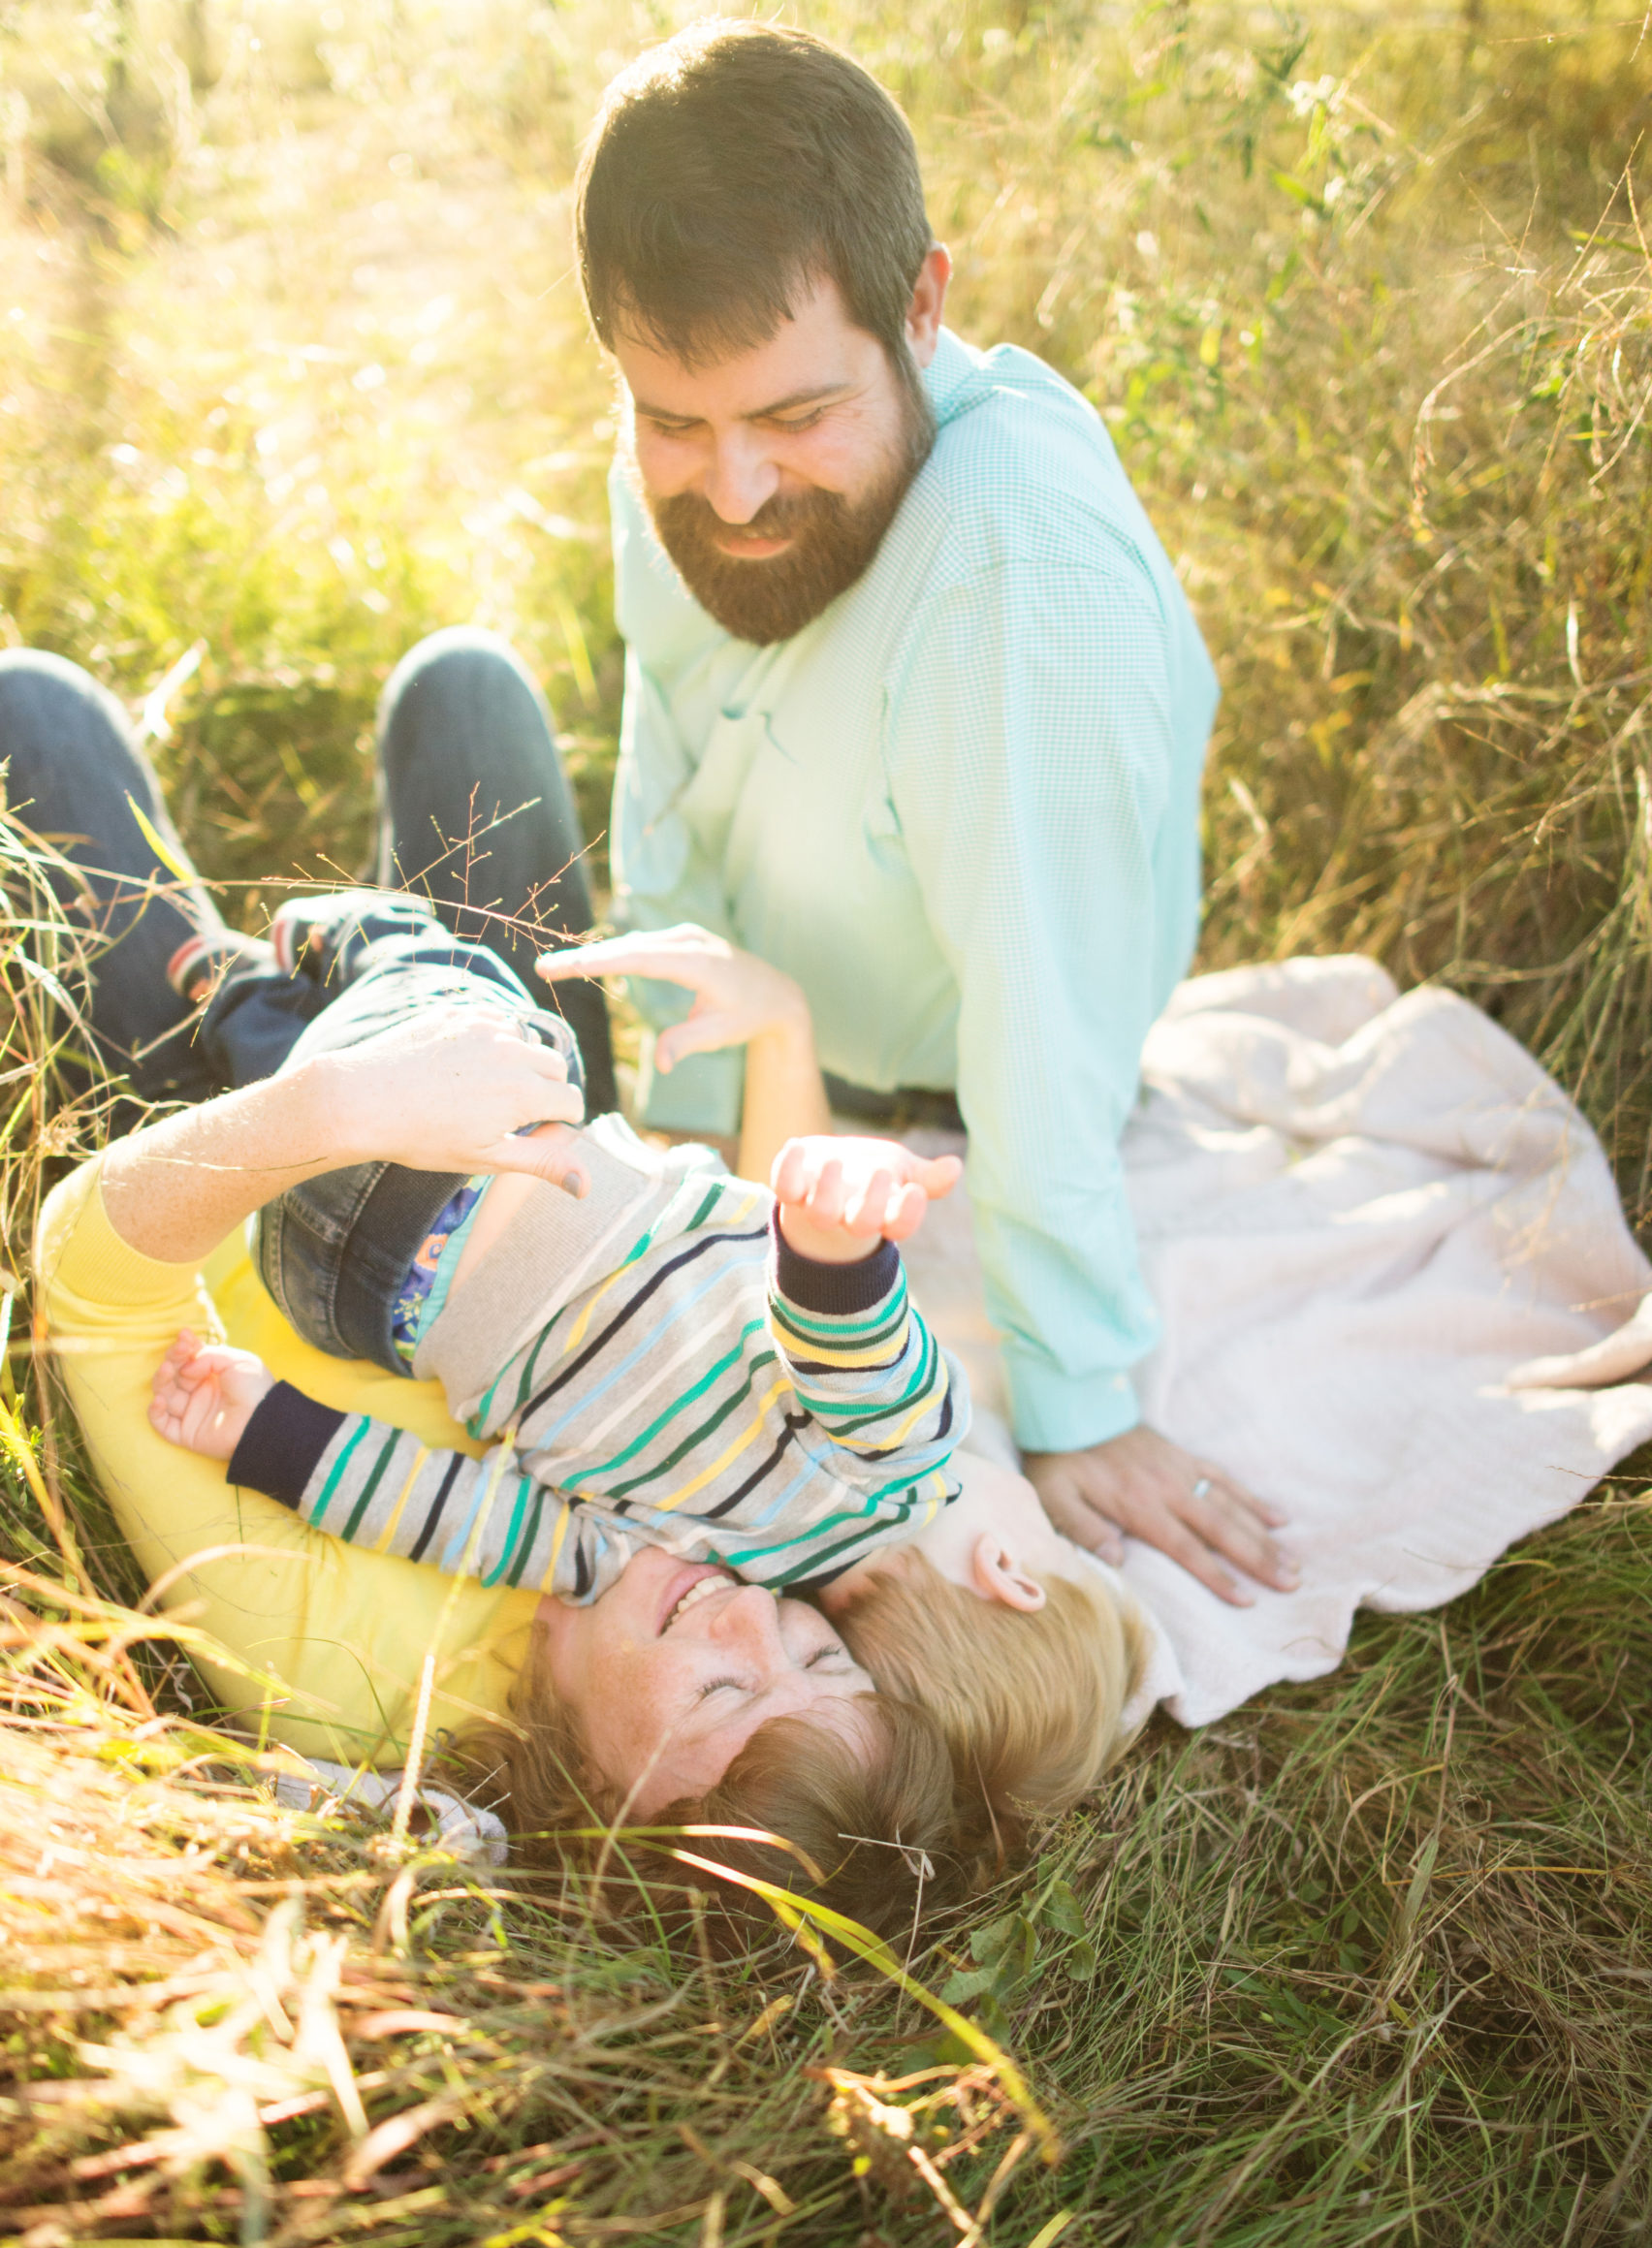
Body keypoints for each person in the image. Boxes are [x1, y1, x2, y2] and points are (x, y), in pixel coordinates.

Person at [12, 646, 1142, 1934]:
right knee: (467, 692)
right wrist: (781, 1032)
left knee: (33, 711)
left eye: (721, 1693)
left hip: (219, 1171)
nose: (747, 1620)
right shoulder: (718, 1560)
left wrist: (329, 1116)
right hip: (549, 1161)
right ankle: (314, 970)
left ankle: (255, 984)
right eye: (817, 1648)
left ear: (608, 1801)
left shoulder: (364, 1683)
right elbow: (768, 1315)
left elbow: (97, 1289)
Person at [566, 20, 1301, 1613]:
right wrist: (688, 1149)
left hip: (939, 1130)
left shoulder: (1012, 573)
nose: (733, 490)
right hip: (765, 1076)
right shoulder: (686, 449)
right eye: (673, 422)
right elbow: (666, 761)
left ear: (922, 305)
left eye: (795, 417)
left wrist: (1078, 1395)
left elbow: (1044, 1002)